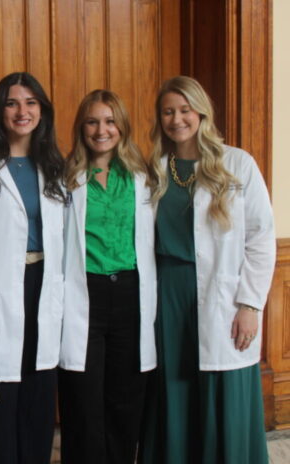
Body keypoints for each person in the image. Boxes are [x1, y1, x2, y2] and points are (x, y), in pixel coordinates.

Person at [139, 76, 275, 464]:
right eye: (168, 111)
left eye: (184, 110)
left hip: (223, 294)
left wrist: (250, 304)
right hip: (169, 293)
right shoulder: (154, 168)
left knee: (222, 386)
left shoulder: (237, 163)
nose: (176, 119)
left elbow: (261, 237)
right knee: (174, 388)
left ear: (201, 112)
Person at [0, 71, 66, 464]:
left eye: (31, 103)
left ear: (42, 110)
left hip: (42, 286)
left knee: (38, 392)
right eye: (12, 103)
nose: (23, 111)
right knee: (0, 392)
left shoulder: (53, 164)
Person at [59, 89, 157, 463]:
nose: (102, 129)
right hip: (86, 294)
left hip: (130, 295)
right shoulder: (66, 176)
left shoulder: (142, 176)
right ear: (82, 127)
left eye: (110, 121)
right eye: (93, 121)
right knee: (82, 400)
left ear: (122, 127)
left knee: (125, 400)